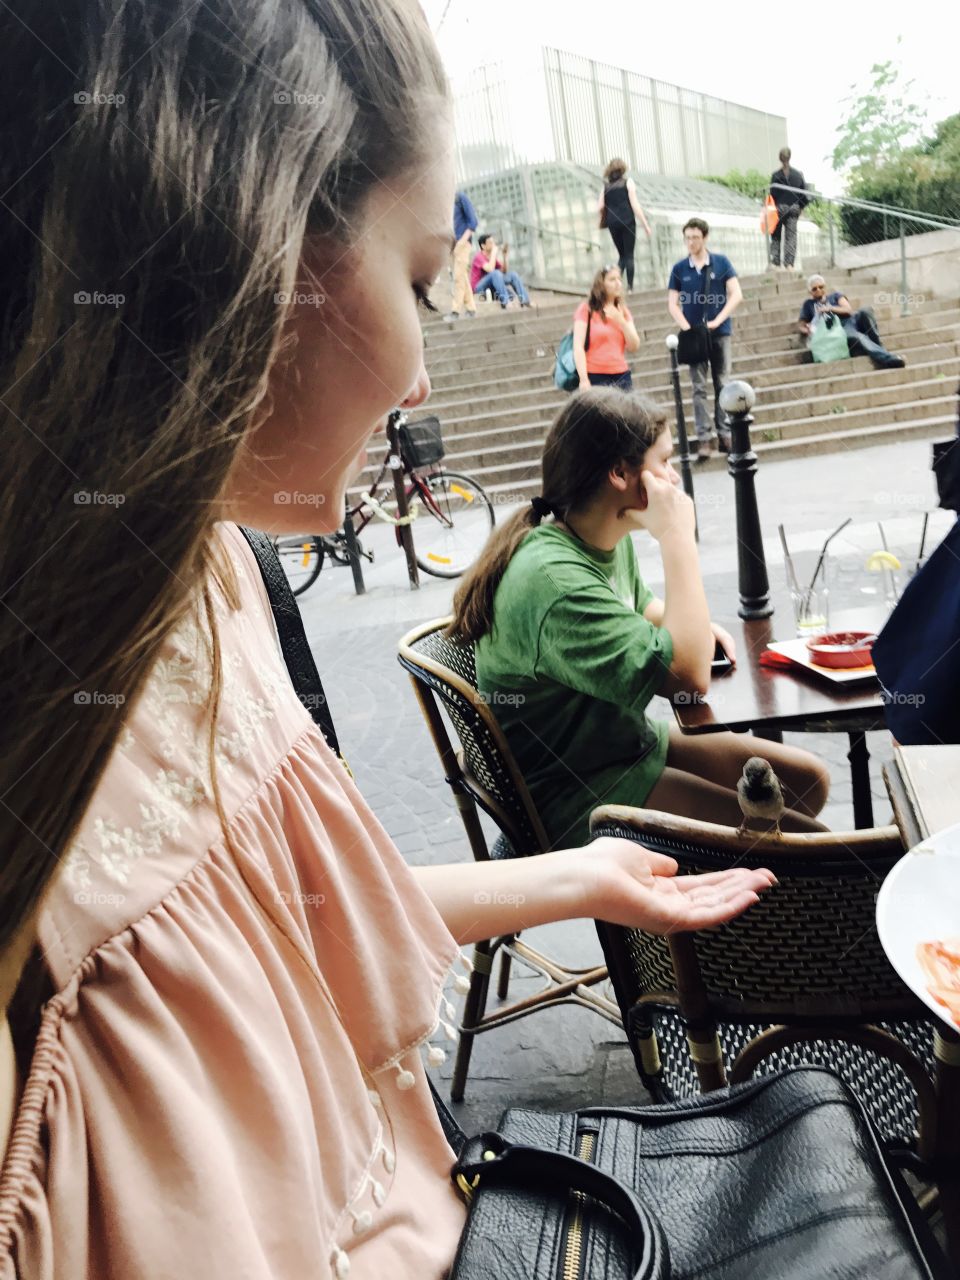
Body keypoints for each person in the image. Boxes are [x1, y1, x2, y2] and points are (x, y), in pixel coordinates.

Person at [0, 2, 777, 1277]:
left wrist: (588, 881)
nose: (422, 379)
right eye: (421, 278)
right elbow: (686, 670)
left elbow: (255, 926)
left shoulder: (216, 582)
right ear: (237, 250)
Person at [452, 389, 830, 849]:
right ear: (619, 474)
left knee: (810, 782)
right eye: (665, 462)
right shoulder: (554, 583)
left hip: (623, 745)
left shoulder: (597, 536)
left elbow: (643, 606)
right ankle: (709, 911)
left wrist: (689, 628)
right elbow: (688, 676)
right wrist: (676, 537)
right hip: (581, 793)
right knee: (811, 848)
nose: (673, 477)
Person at [667, 218, 743, 458]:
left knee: (723, 382)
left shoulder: (720, 263)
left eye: (695, 238)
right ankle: (704, 438)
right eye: (687, 238)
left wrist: (718, 320)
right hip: (694, 335)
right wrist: (686, 327)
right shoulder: (680, 269)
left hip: (720, 332)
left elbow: (736, 294)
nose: (691, 242)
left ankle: (725, 434)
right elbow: (672, 303)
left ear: (705, 238)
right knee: (698, 387)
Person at [799, 276, 906, 369]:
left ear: (825, 287)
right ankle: (889, 359)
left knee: (866, 311)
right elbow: (801, 324)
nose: (818, 290)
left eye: (821, 287)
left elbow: (848, 310)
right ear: (810, 292)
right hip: (840, 328)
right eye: (814, 289)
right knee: (858, 337)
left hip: (852, 320)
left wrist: (829, 308)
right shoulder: (808, 304)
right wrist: (807, 330)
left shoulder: (835, 296)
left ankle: (877, 345)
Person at [573, 264, 640, 390]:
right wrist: (583, 379)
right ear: (601, 284)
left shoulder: (623, 311)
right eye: (612, 279)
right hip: (595, 375)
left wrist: (621, 321)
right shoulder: (586, 309)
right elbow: (578, 347)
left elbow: (634, 346)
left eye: (619, 279)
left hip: (621, 375)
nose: (618, 283)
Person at [598, 158, 653, 292]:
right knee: (629, 255)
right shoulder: (628, 182)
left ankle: (614, 284)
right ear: (622, 169)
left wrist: (604, 217)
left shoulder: (605, 186)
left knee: (622, 255)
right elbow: (635, 204)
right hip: (627, 221)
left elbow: (599, 206)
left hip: (612, 223)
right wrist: (645, 225)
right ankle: (629, 287)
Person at [769, 147, 808, 270]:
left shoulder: (776, 175)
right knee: (791, 237)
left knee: (776, 236)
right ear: (789, 157)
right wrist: (801, 206)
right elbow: (804, 193)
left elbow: (772, 193)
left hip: (779, 208)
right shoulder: (797, 175)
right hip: (794, 208)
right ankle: (789, 264)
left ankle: (775, 263)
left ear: (780, 158)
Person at [443, 190, 479, 322]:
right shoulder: (444, 202)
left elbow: (473, 222)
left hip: (463, 243)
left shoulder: (459, 197)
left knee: (458, 277)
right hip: (452, 245)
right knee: (462, 276)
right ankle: (471, 308)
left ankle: (455, 311)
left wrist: (462, 240)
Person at [469, 232, 531, 309]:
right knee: (495, 273)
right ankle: (506, 301)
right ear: (483, 246)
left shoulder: (491, 257)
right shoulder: (478, 257)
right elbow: (490, 269)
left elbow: (504, 271)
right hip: (479, 288)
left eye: (493, 242)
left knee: (513, 275)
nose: (493, 244)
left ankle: (525, 301)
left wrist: (505, 256)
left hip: (491, 287)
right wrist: (494, 253)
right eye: (490, 243)